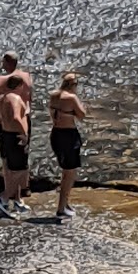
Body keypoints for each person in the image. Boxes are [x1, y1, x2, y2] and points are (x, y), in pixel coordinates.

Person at [0, 52, 29, 207]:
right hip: (15, 129)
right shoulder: (23, 78)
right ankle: (7, 195)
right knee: (15, 165)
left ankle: (17, 197)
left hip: (7, 127)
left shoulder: (4, 89)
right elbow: (17, 116)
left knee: (14, 163)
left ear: (7, 62)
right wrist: (23, 132)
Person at [49, 72, 87, 221]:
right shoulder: (71, 98)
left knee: (65, 171)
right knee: (69, 173)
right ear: (73, 85)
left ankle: (65, 203)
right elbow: (82, 115)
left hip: (56, 134)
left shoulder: (53, 95)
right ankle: (61, 208)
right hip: (69, 136)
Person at [0, 73, 31, 219]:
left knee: (11, 168)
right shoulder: (15, 98)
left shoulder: (1, 98)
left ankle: (16, 201)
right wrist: (24, 133)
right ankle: (3, 197)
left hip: (6, 135)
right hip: (16, 136)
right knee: (20, 170)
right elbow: (16, 117)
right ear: (19, 85)